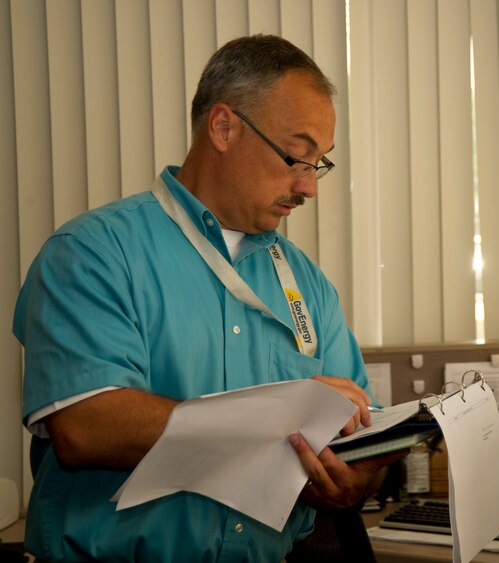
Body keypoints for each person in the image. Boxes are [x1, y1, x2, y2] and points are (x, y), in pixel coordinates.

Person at [12, 34, 405, 562]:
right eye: (297, 156)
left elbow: (359, 436)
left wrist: (350, 482)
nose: (309, 187)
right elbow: (86, 427)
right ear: (223, 127)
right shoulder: (93, 252)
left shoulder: (308, 284)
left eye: (320, 164)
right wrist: (279, 419)